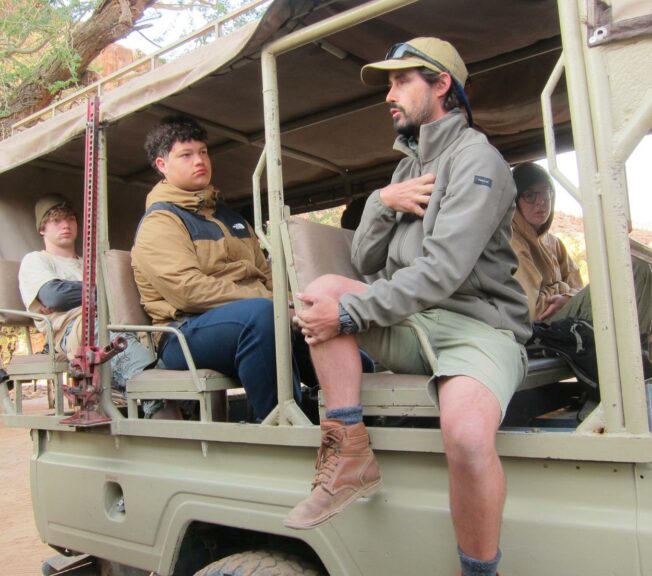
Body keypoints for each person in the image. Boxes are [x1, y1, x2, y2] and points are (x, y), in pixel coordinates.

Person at [284, 37, 531, 576]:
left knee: (466, 438)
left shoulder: (478, 161)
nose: (389, 96)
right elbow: (365, 258)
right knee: (320, 290)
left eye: (401, 82)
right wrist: (380, 202)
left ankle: (478, 570)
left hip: (476, 328)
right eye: (389, 84)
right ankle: (349, 450)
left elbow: (443, 271)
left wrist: (349, 316)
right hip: (411, 322)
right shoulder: (405, 171)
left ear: (442, 85)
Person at [132, 115, 316, 422]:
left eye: (203, 152)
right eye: (186, 155)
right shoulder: (160, 222)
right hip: (183, 333)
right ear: (162, 165)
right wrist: (274, 304)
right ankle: (279, 430)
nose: (199, 161)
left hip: (247, 317)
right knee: (262, 317)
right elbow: (189, 292)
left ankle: (355, 418)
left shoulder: (230, 217)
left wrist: (294, 303)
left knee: (320, 319)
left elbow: (267, 274)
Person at [18, 194, 151, 392]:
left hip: (115, 319)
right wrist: (104, 294)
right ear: (41, 229)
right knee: (114, 339)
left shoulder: (92, 264)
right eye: (56, 220)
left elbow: (121, 293)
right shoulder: (36, 260)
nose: (65, 225)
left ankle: (170, 393)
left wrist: (81, 294)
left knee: (156, 333)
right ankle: (154, 391)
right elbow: (56, 296)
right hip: (75, 329)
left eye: (70, 219)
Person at [511, 162, 651, 335]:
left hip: (564, 318)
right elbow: (535, 309)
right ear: (515, 200)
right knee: (636, 269)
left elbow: (577, 288)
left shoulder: (553, 243)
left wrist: (566, 296)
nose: (540, 202)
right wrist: (564, 290)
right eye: (530, 195)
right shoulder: (513, 242)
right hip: (541, 329)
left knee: (642, 269)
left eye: (545, 192)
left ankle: (640, 349)